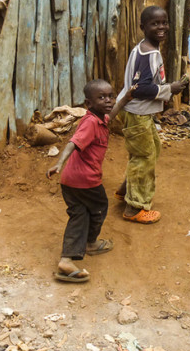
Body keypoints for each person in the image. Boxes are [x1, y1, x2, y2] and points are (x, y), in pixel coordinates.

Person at [46, 79, 134, 283]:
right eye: (101, 97)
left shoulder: (99, 118)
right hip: (85, 180)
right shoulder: (90, 122)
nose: (108, 100)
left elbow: (111, 115)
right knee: (100, 207)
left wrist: (125, 98)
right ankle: (90, 243)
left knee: (79, 214)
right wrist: (58, 162)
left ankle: (66, 260)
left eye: (110, 96)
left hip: (70, 180)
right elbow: (74, 142)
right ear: (88, 104)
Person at [114, 5, 187, 224]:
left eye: (164, 22)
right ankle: (135, 207)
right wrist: (169, 89)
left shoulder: (144, 49)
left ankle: (127, 189)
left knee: (151, 149)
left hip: (135, 111)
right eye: (155, 24)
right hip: (136, 112)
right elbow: (141, 88)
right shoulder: (149, 54)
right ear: (143, 27)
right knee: (144, 157)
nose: (161, 27)